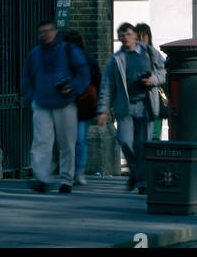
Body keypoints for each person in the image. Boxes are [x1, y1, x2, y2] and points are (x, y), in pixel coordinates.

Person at [21, 18, 90, 194]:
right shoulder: (34, 54)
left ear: (55, 31)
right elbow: (27, 78)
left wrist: (73, 87)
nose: (46, 34)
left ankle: (66, 179)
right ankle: (42, 178)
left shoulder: (69, 50)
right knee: (41, 141)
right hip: (42, 102)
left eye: (49, 30)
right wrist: (30, 98)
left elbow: (83, 72)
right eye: (42, 32)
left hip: (64, 102)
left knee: (67, 142)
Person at [97, 21, 165, 194]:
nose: (125, 38)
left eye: (128, 34)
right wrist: (103, 109)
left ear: (135, 35)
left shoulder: (149, 52)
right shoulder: (116, 59)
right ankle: (136, 173)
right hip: (125, 106)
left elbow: (165, 71)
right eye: (121, 35)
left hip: (146, 104)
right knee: (125, 141)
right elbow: (107, 85)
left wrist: (153, 80)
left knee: (143, 145)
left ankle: (142, 182)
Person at [63, 29, 100, 186]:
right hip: (82, 104)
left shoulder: (70, 60)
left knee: (74, 139)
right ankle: (77, 171)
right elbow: (98, 82)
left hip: (76, 103)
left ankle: (74, 171)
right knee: (79, 140)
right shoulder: (89, 59)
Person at [136, 24, 167, 141]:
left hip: (153, 100)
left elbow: (165, 72)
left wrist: (152, 80)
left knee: (154, 137)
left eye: (144, 36)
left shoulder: (153, 53)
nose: (142, 39)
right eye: (139, 36)